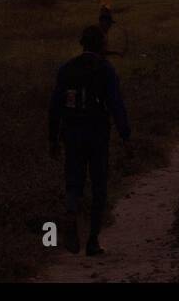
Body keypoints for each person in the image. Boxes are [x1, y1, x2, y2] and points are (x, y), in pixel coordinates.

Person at [49, 25, 130, 256]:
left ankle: (71, 210)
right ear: (101, 45)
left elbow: (55, 107)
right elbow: (116, 105)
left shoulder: (66, 69)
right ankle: (93, 241)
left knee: (74, 181)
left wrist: (52, 138)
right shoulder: (105, 70)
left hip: (72, 134)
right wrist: (126, 136)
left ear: (82, 43)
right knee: (99, 186)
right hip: (97, 135)